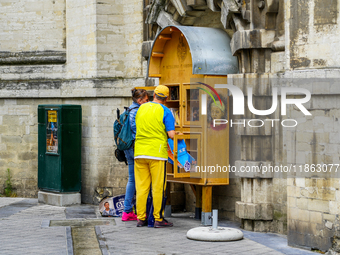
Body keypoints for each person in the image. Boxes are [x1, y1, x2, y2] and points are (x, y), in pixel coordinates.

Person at [134, 85, 176, 228]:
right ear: (167, 98)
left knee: (141, 187)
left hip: (139, 152)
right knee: (158, 187)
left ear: (154, 96)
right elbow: (171, 134)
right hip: (157, 153)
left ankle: (141, 218)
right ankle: (158, 219)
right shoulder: (165, 111)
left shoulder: (141, 108)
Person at [121, 88, 149, 221]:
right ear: (140, 100)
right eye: (146, 100)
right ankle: (141, 211)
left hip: (127, 147)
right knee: (142, 180)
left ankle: (127, 212)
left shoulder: (128, 110)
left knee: (132, 179)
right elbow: (136, 130)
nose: (148, 102)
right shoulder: (137, 111)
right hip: (135, 148)